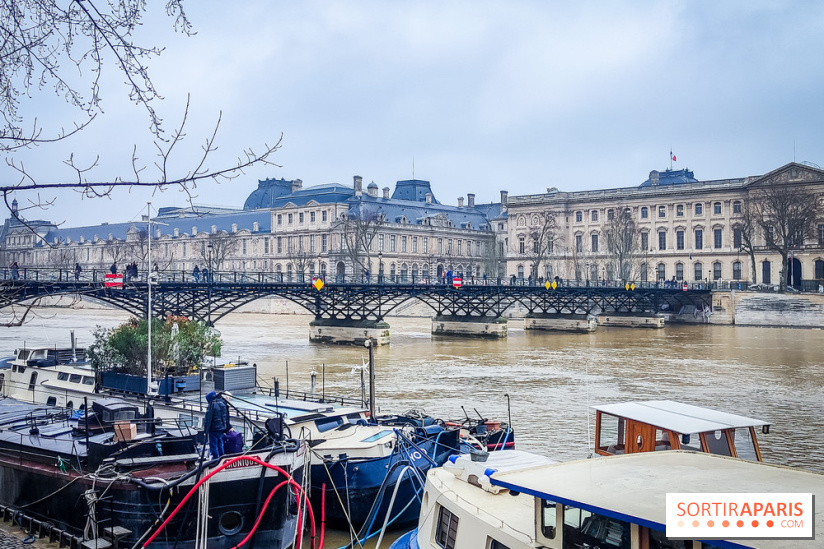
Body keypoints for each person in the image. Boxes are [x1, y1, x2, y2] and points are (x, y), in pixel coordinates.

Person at [203, 391, 231, 459]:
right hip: (221, 428)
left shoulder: (212, 406)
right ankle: (222, 456)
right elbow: (225, 417)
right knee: (220, 443)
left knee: (213, 445)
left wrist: (205, 431)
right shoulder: (223, 404)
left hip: (213, 429)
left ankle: (215, 459)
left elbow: (208, 419)